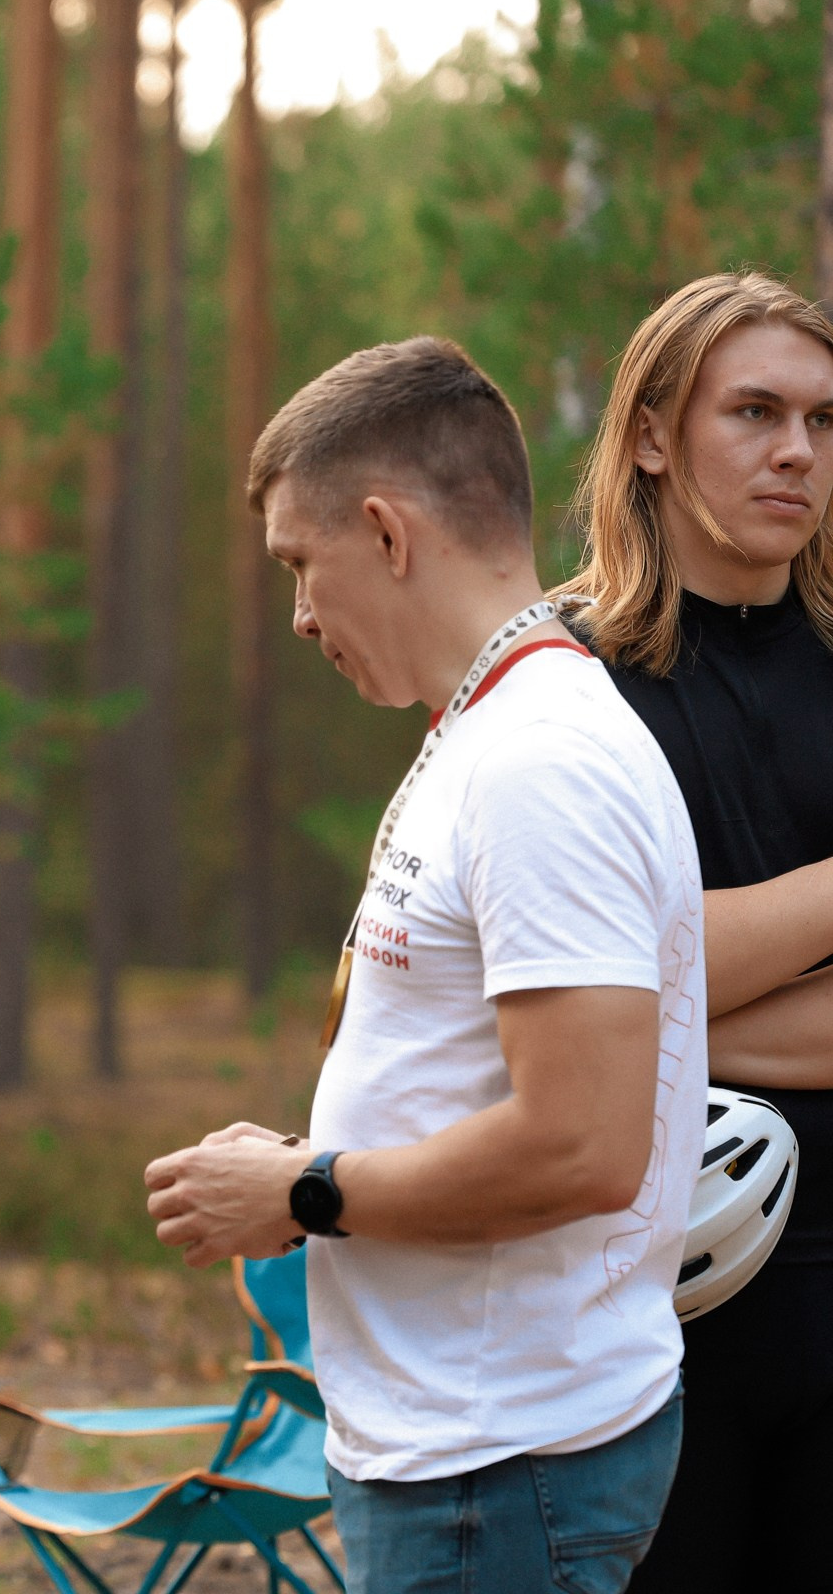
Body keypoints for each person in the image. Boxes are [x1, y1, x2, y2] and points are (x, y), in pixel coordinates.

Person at [144, 338, 704, 1594]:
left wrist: (305, 1192)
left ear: (389, 533)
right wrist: (302, 1164)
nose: (296, 614)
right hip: (459, 1455)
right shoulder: (490, 728)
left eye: (301, 562)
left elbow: (583, 1144)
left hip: (504, 1468)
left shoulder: (538, 762)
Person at [558, 272, 833, 1593]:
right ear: (655, 433)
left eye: (824, 422)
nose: (798, 450)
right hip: (632, 1316)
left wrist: (656, 1006)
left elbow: (623, 992)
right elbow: (542, 1005)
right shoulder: (557, 688)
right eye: (757, 411)